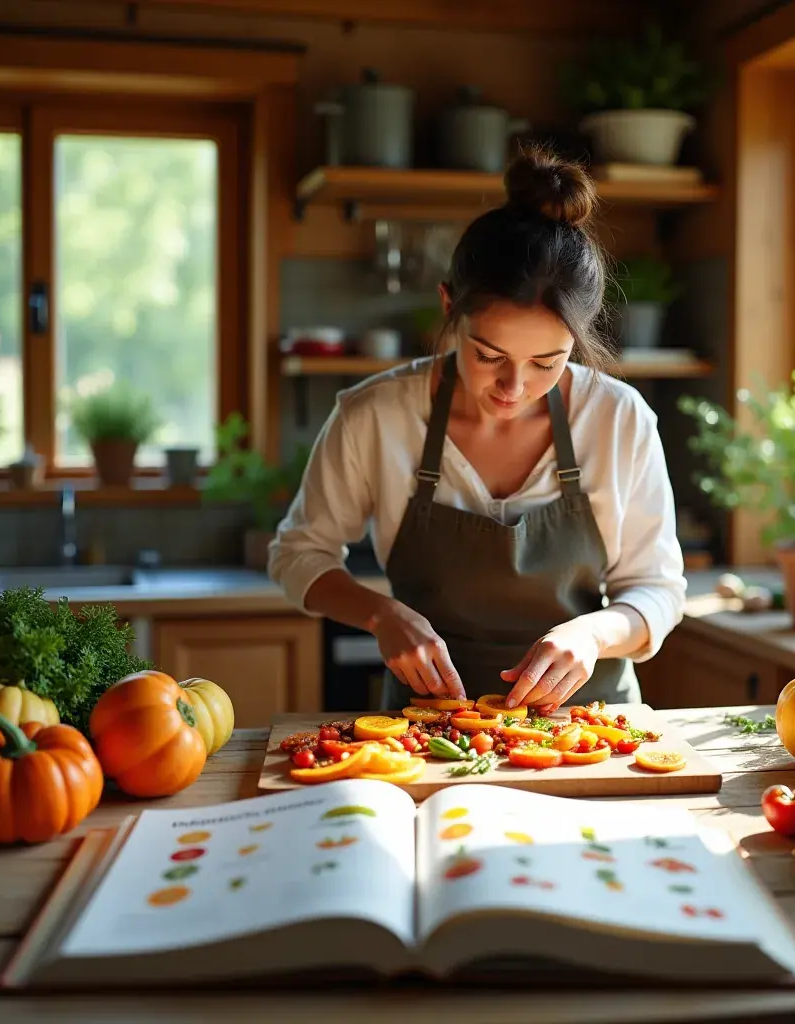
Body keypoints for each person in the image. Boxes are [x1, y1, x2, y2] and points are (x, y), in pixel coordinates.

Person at [267, 145, 686, 713]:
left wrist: (593, 635)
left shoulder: (619, 418)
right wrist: (380, 613)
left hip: (590, 725)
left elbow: (658, 590)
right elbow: (298, 554)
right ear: (448, 308)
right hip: (426, 726)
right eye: (489, 355)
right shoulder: (375, 415)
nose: (513, 386)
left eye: (547, 363)